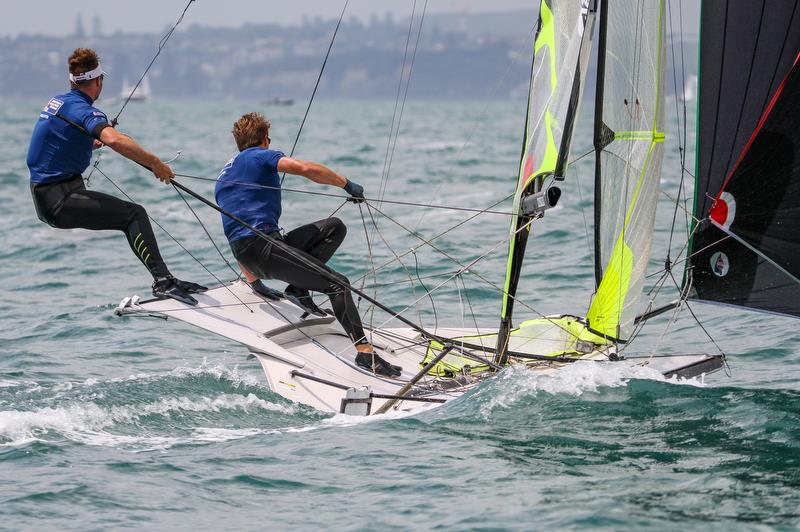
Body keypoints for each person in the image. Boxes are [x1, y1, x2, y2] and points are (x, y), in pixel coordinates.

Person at [215, 112, 402, 378]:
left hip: (254, 252)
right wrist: (346, 184)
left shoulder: (225, 174)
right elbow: (305, 169)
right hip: (265, 249)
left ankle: (298, 290)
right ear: (264, 139)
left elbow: (233, 232)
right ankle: (365, 353)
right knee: (338, 283)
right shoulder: (260, 155)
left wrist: (255, 282)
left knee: (333, 227)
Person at [26, 48, 205, 305]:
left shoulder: (59, 102)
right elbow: (113, 139)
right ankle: (163, 282)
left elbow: (55, 142)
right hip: (60, 199)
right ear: (98, 81)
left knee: (130, 215)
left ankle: (166, 279)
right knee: (134, 215)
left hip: (47, 195)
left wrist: (86, 144)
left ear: (72, 80)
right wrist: (156, 163)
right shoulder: (84, 110)